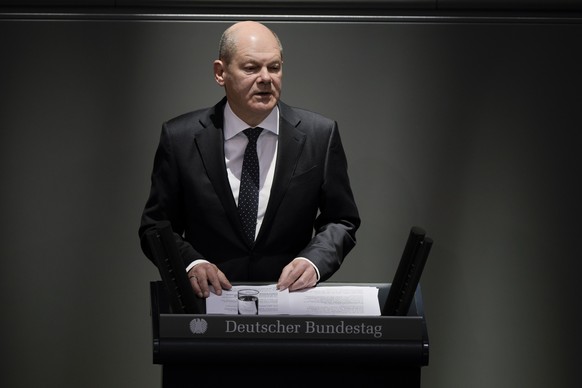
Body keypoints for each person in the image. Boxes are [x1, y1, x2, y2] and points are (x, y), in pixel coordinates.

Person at [139, 20, 360, 299]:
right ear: (220, 73)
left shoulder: (320, 135)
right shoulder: (180, 138)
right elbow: (155, 227)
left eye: (274, 67)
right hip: (208, 306)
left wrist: (313, 262)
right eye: (251, 68)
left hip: (289, 306)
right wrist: (191, 263)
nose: (266, 78)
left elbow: (342, 220)